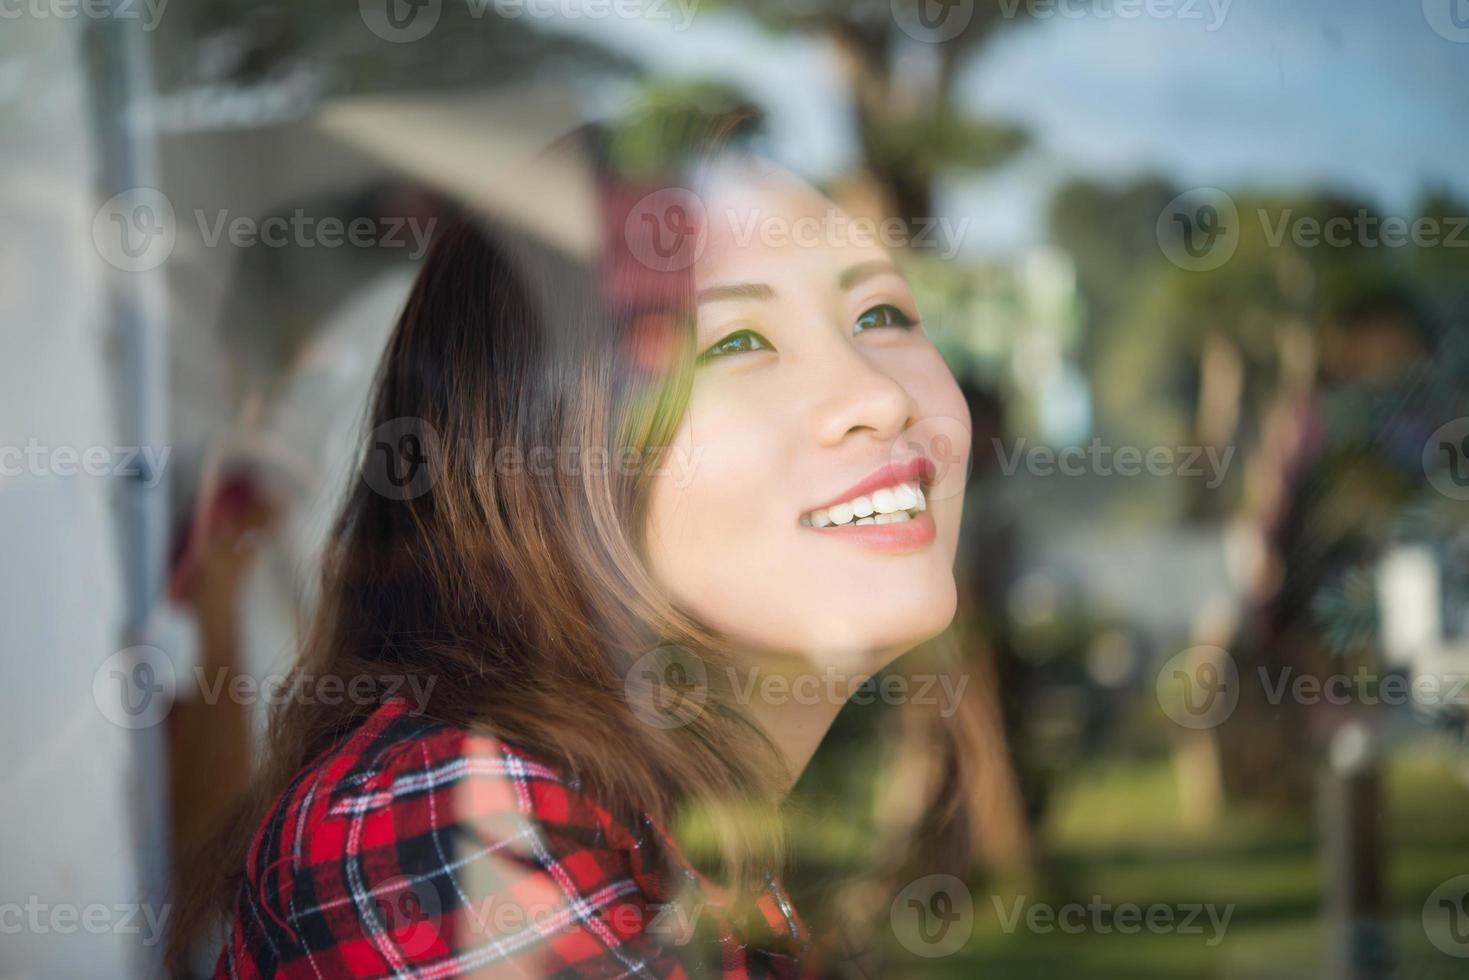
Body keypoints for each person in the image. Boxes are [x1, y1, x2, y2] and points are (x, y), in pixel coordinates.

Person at [174, 136, 975, 978]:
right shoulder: (443, 820)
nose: (879, 397)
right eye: (738, 342)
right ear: (549, 457)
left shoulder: (675, 854)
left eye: (881, 315)